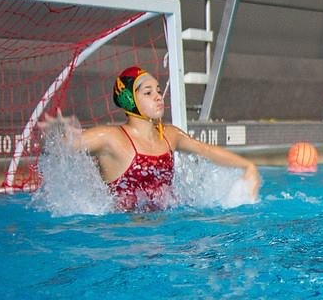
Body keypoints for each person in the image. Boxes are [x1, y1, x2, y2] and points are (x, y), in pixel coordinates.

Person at [39, 66, 261, 212]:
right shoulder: (111, 138)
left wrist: (248, 166)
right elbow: (59, 148)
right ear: (129, 99)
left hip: (166, 228)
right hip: (125, 235)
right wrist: (55, 134)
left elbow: (206, 150)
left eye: (158, 90)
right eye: (148, 92)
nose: (158, 96)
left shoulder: (169, 135)